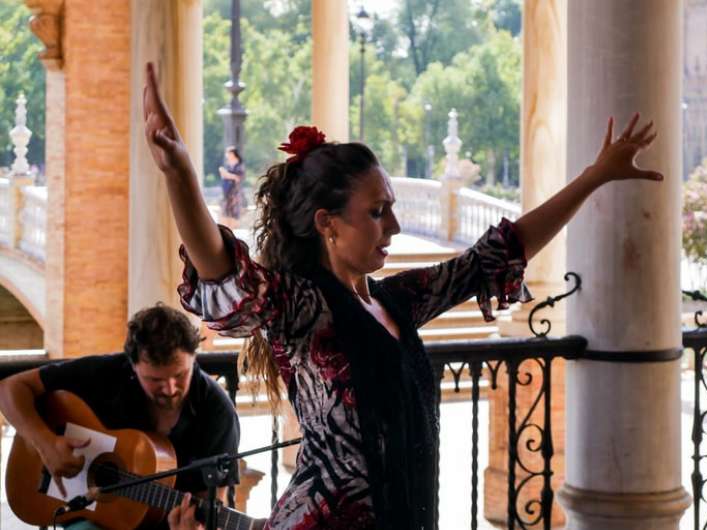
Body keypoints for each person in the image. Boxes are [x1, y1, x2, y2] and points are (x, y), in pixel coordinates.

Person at [142, 61, 661, 530]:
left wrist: (595, 177)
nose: (393, 225)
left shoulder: (396, 301)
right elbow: (222, 271)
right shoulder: (304, 309)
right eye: (376, 212)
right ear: (328, 225)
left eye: (390, 207)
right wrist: (180, 173)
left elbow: (496, 253)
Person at [0, 304, 241, 529]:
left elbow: (214, 502)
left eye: (180, 375)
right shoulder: (107, 373)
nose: (170, 389)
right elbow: (10, 388)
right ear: (133, 365)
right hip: (92, 519)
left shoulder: (217, 412)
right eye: (155, 380)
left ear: (193, 357)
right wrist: (45, 444)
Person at [218, 146, 246, 229]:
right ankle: (227, 228)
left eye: (228, 153)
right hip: (227, 190)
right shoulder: (228, 165)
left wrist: (227, 174)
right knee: (225, 209)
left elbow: (238, 178)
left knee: (234, 210)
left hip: (235, 191)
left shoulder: (239, 165)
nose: (227, 155)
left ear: (233, 154)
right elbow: (224, 176)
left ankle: (232, 229)